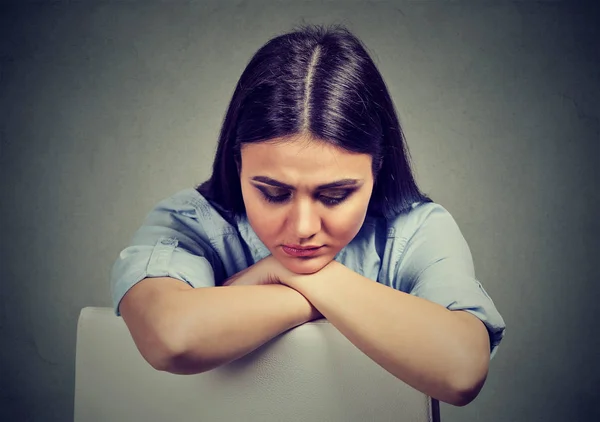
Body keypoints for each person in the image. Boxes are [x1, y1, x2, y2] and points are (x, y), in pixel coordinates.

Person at [110, 24, 506, 407]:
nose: (302, 228)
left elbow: (462, 370)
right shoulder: (190, 223)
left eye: (334, 196)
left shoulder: (416, 229)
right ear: (238, 165)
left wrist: (296, 277)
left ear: (377, 170)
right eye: (273, 193)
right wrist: (316, 295)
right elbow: (172, 337)